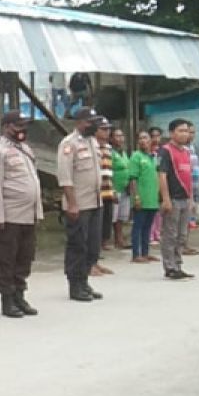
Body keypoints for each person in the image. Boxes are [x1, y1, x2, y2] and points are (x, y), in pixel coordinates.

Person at [0, 111, 43, 318]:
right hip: (9, 216)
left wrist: (38, 212)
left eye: (24, 125)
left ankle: (19, 295)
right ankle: (7, 300)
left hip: (27, 215)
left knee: (24, 257)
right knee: (4, 259)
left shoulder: (25, 150)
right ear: (6, 126)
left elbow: (33, 181)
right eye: (18, 126)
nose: (22, 130)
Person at [57, 108, 104, 302]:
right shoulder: (68, 144)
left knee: (93, 246)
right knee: (78, 246)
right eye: (90, 121)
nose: (94, 125)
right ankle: (75, 285)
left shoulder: (93, 142)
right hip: (79, 204)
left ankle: (84, 282)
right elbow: (65, 177)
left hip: (95, 202)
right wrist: (72, 204)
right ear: (80, 122)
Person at [157, 119, 195, 280]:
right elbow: (162, 175)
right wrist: (166, 199)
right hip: (172, 198)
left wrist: (191, 199)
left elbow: (189, 177)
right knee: (170, 234)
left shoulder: (186, 152)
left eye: (186, 131)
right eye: (181, 131)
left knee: (182, 234)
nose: (184, 134)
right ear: (172, 133)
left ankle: (178, 264)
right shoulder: (165, 151)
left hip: (185, 198)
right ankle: (170, 267)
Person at [127, 130, 160, 263]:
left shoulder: (153, 156)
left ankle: (145, 253)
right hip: (141, 198)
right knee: (138, 227)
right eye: (140, 138)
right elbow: (133, 179)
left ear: (150, 140)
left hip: (152, 198)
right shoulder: (136, 156)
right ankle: (136, 254)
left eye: (145, 138)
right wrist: (136, 197)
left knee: (147, 227)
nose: (142, 141)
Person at [97, 119, 117, 267]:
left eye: (108, 129)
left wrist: (113, 189)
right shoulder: (93, 146)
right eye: (103, 129)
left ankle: (102, 244)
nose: (107, 132)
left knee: (106, 221)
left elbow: (110, 171)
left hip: (108, 189)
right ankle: (94, 252)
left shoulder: (109, 148)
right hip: (96, 192)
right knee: (96, 224)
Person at [110, 128, 131, 251]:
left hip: (125, 188)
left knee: (122, 216)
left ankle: (119, 239)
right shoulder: (110, 153)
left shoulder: (123, 153)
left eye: (121, 136)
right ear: (111, 139)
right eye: (117, 136)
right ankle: (110, 240)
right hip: (115, 187)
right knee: (113, 215)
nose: (120, 138)